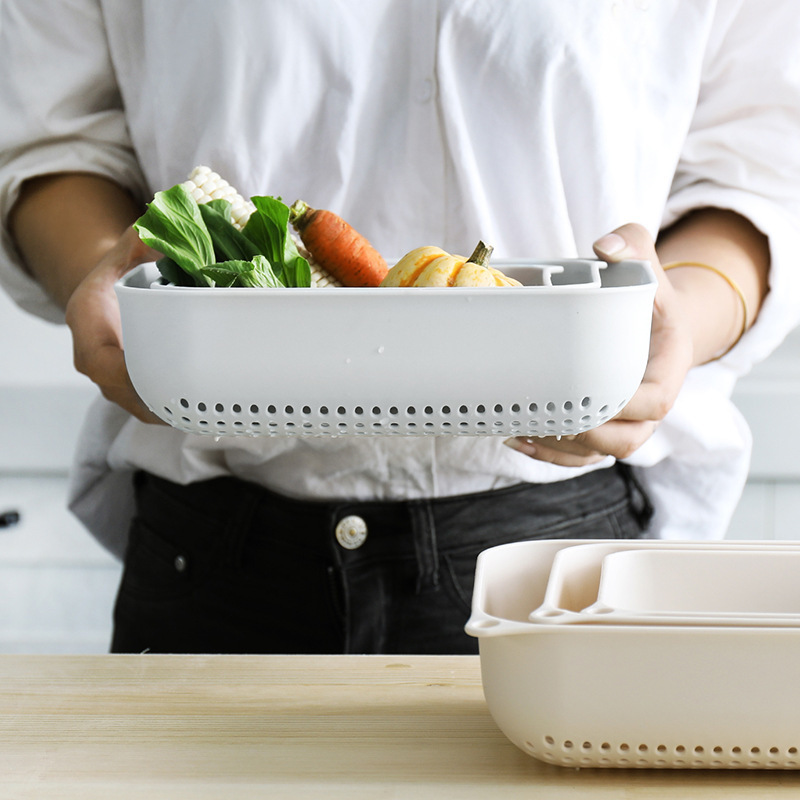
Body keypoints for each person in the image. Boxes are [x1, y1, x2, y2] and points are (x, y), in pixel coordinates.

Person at [1, 1, 799, 655]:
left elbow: (755, 168)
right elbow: (51, 138)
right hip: (217, 542)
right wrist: (108, 274)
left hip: (553, 550)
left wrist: (678, 323)